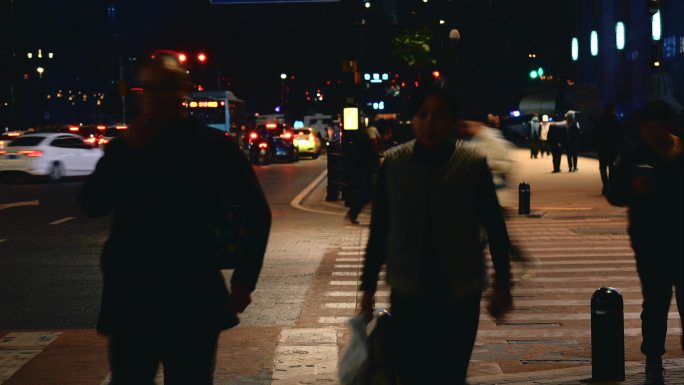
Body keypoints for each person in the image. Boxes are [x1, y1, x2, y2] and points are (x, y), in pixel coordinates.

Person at [80, 52, 271, 385]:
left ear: (183, 91)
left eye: (165, 87)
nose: (155, 97)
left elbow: (257, 210)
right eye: (148, 88)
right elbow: (92, 203)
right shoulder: (127, 148)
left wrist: (244, 278)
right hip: (135, 296)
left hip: (188, 293)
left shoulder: (212, 147)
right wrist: (125, 151)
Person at [359, 86, 513, 385]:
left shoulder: (472, 166)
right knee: (412, 373)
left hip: (459, 292)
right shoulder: (394, 164)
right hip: (408, 292)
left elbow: (495, 226)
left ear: (453, 120)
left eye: (439, 115)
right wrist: (367, 288)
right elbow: (379, 230)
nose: (430, 122)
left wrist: (503, 284)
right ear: (413, 120)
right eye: (422, 114)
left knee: (451, 373)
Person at [606, 100, 683, 385]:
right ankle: (653, 359)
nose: (651, 133)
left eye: (656, 127)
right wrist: (632, 190)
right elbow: (613, 194)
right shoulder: (634, 155)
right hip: (651, 243)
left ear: (668, 126)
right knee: (655, 302)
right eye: (646, 128)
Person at [345, 125, 380, 225]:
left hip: (363, 170)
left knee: (367, 194)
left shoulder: (362, 138)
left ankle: (353, 212)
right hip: (367, 170)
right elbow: (370, 155)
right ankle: (354, 213)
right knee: (369, 193)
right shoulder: (368, 138)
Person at [594, 104, 623, 194]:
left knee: (603, 168)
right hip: (612, 147)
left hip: (602, 147)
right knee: (612, 167)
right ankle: (610, 186)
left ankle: (605, 185)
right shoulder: (615, 119)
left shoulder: (600, 119)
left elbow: (596, 133)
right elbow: (619, 134)